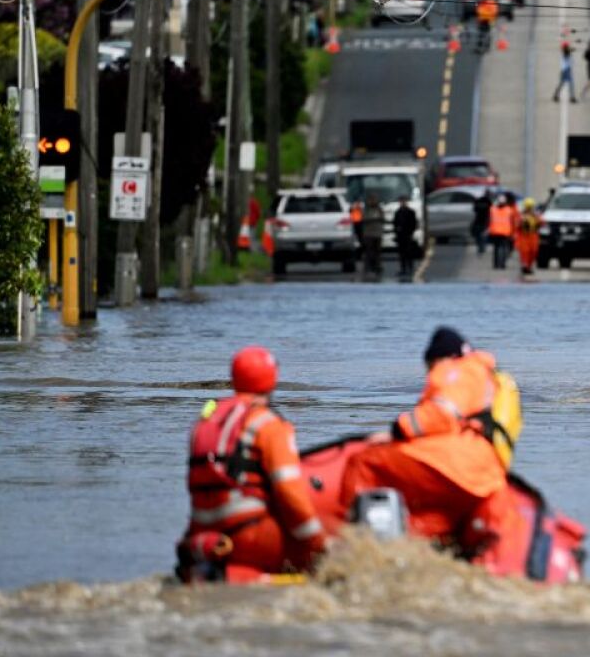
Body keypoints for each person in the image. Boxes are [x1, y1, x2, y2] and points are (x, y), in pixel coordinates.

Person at [339, 327, 520, 556]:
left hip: (458, 463)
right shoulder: (486, 376)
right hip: (485, 475)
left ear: (439, 358)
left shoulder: (456, 369)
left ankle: (348, 545)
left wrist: (397, 431)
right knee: (433, 519)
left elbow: (442, 413)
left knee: (363, 461)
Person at [179, 346, 326, 579]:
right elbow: (290, 492)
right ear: (272, 379)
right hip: (249, 537)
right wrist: (319, 543)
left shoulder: (204, 423)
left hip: (202, 537)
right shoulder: (267, 424)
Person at [488, 193, 519, 269]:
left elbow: (489, 220)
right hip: (505, 232)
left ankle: (496, 264)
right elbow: (513, 222)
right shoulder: (509, 210)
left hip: (495, 232)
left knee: (496, 248)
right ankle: (502, 264)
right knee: (503, 248)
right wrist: (513, 233)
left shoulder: (492, 209)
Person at [515, 197, 543, 275]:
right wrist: (522, 221)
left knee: (533, 252)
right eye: (528, 207)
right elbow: (517, 225)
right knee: (525, 252)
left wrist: (536, 218)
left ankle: (529, 266)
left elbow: (542, 223)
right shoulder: (521, 215)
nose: (529, 209)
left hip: (533, 236)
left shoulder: (536, 215)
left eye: (530, 207)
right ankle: (525, 266)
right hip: (524, 236)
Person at [393, 195, 419, 278]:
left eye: (403, 201)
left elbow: (414, 223)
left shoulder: (411, 212)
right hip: (400, 235)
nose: (402, 203)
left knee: (409, 252)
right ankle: (403, 268)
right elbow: (395, 223)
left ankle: (410, 268)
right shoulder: (398, 212)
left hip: (408, 234)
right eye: (401, 201)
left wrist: (410, 232)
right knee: (401, 253)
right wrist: (397, 231)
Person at [360, 193, 384, 278]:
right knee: (369, 252)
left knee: (377, 252)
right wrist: (373, 219)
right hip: (368, 234)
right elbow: (363, 219)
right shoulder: (366, 210)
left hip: (377, 233)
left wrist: (375, 219)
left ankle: (377, 267)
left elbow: (382, 218)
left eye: (374, 200)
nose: (373, 201)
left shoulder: (379, 209)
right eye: (371, 200)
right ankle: (368, 268)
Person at [471, 189, 493, 255]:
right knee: (483, 235)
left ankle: (480, 247)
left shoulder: (479, 201)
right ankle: (482, 247)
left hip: (479, 220)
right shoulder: (489, 201)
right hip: (485, 220)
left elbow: (474, 209)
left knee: (479, 234)